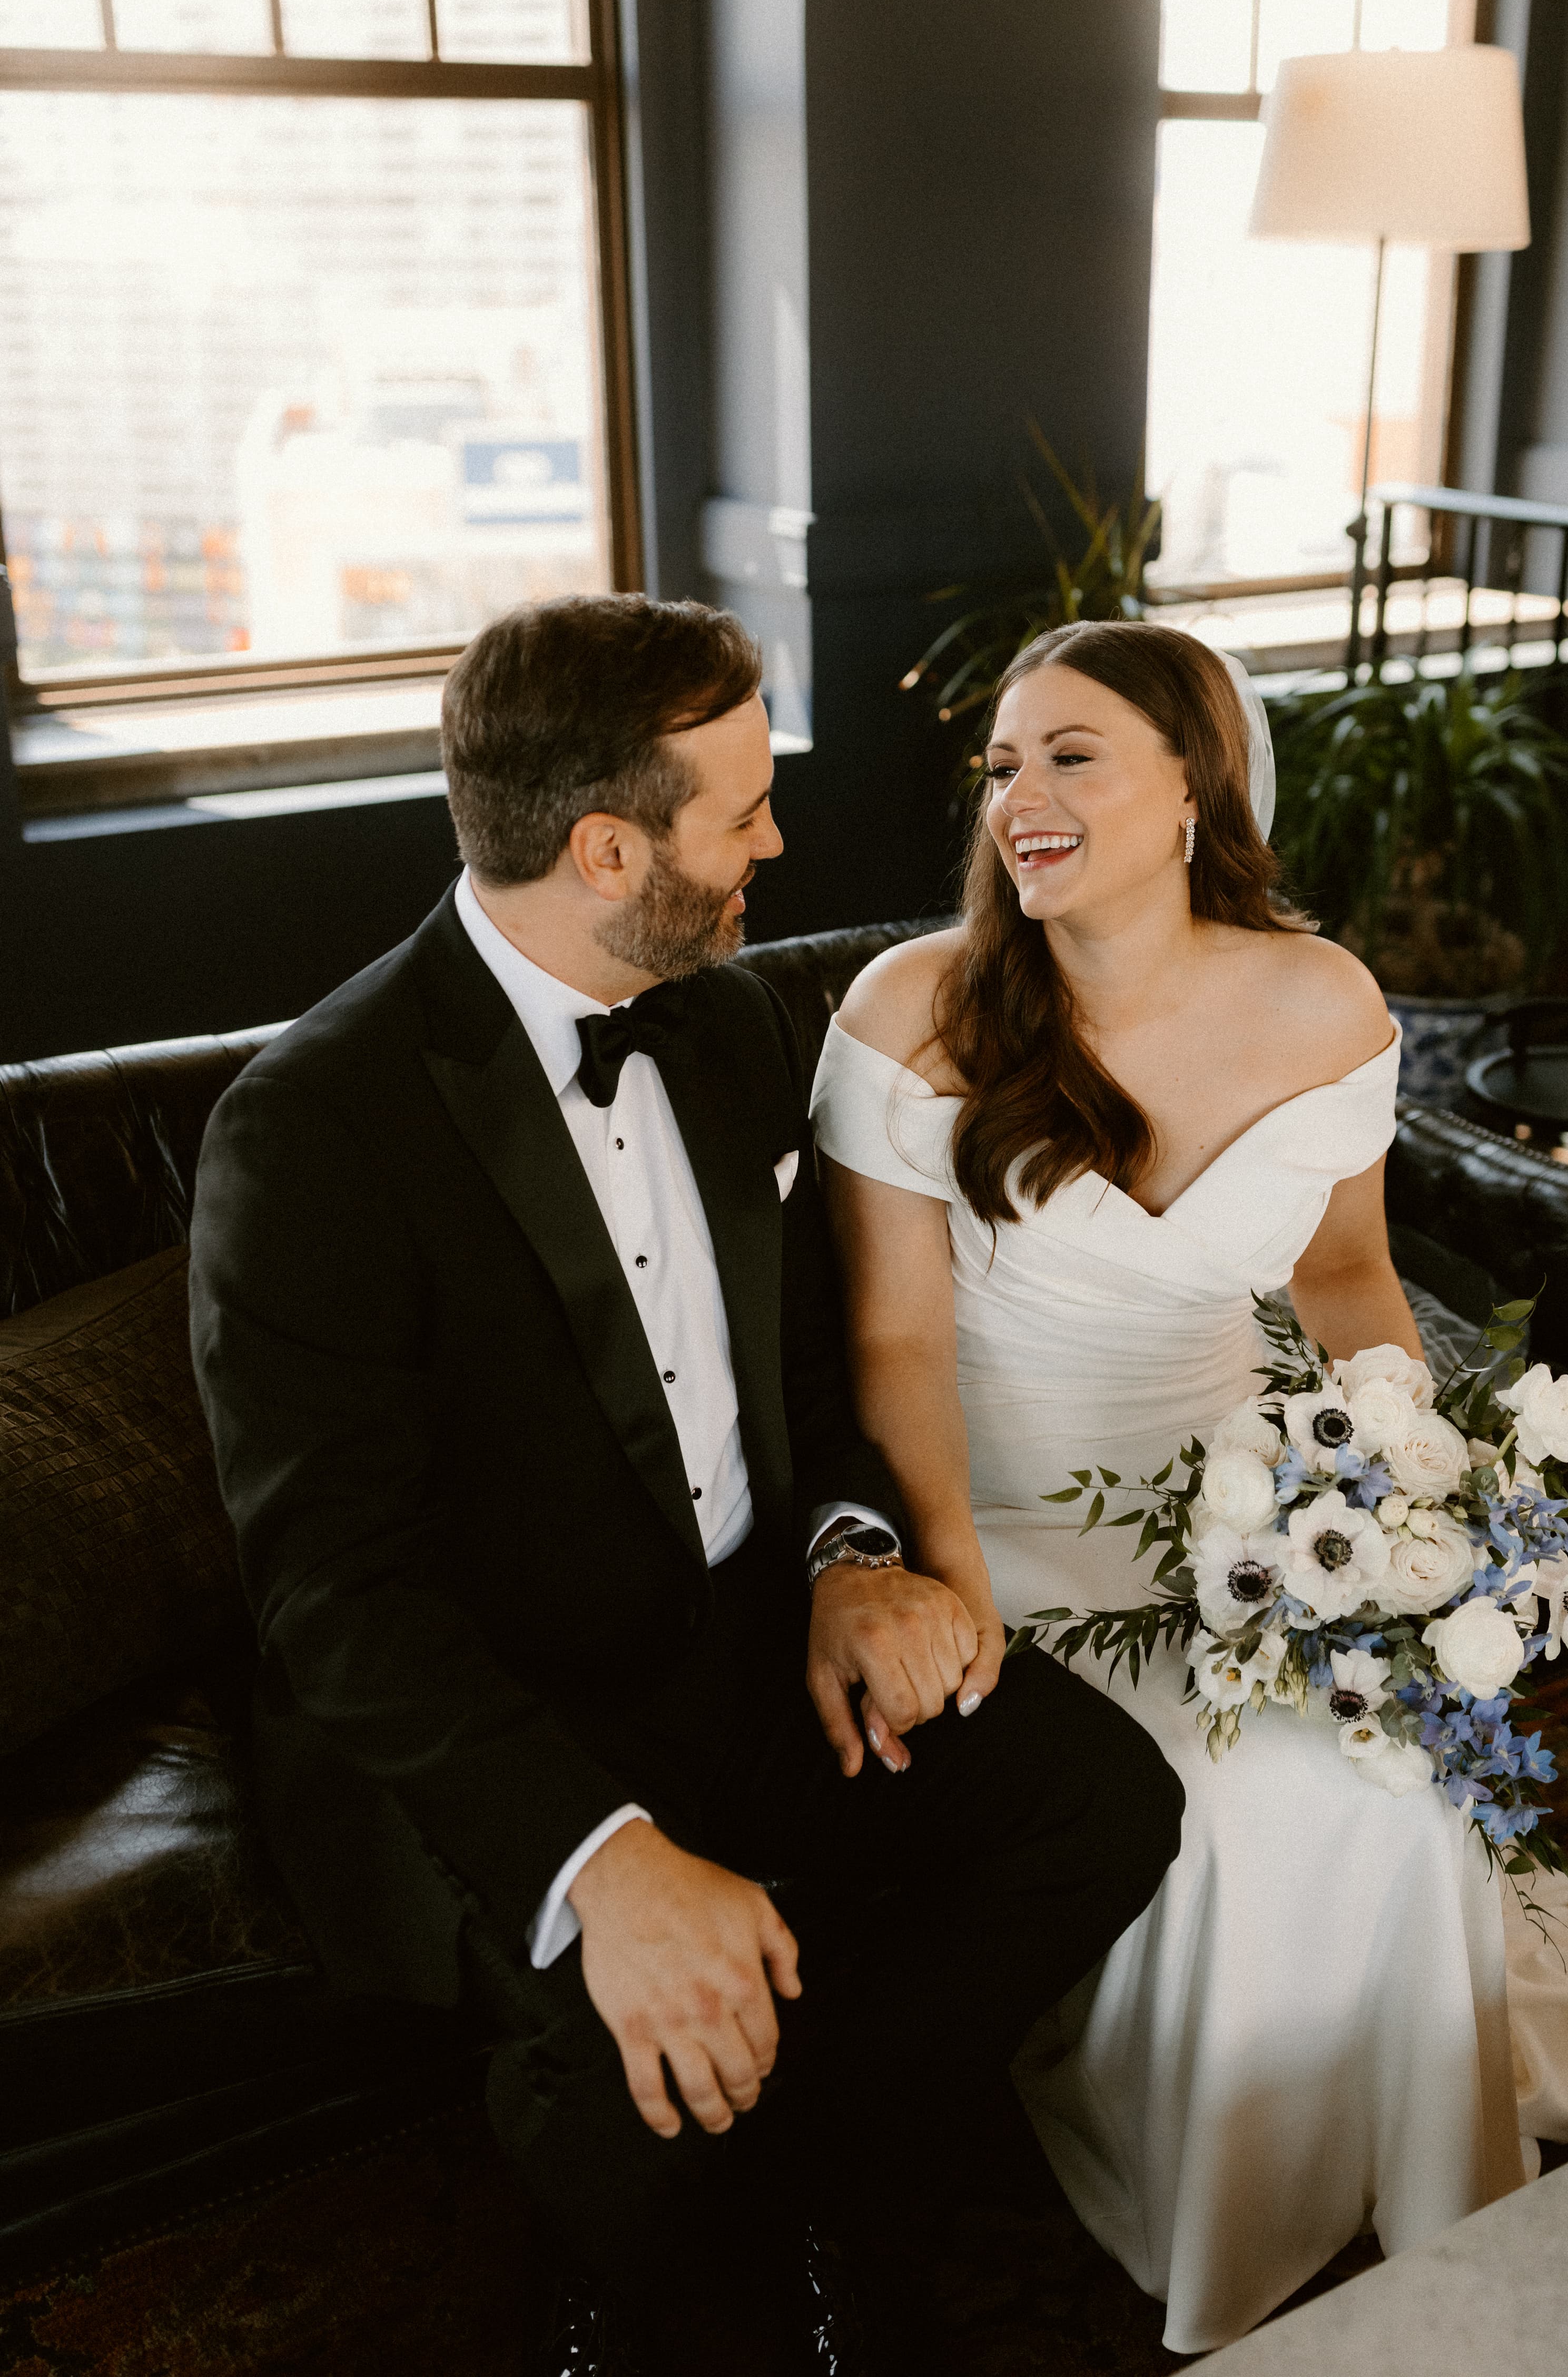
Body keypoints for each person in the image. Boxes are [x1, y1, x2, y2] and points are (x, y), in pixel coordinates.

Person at [188, 595, 1183, 2377]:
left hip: (754, 1647)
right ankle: (706, 2230)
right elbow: (336, 1590)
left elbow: (804, 1368)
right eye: (744, 810)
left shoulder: (725, 1027)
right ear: (605, 847)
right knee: (653, 2086)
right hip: (506, 1725)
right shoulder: (311, 1129)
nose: (779, 844)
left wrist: (852, 1559)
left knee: (1101, 1802)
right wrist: (606, 1862)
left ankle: (811, 2178)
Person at [809, 616, 1568, 2357]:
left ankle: (1388, 2203)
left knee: (1383, 1801)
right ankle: (1197, 2212)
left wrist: (1418, 1492)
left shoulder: (1322, 1001)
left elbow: (1349, 1278)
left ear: (1192, 790)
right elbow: (897, 1353)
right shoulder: (911, 1012)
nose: (1023, 795)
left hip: (1247, 1515)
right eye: (1005, 764)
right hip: (1000, 1524)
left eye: (1073, 755)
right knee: (1228, 1821)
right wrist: (955, 1577)